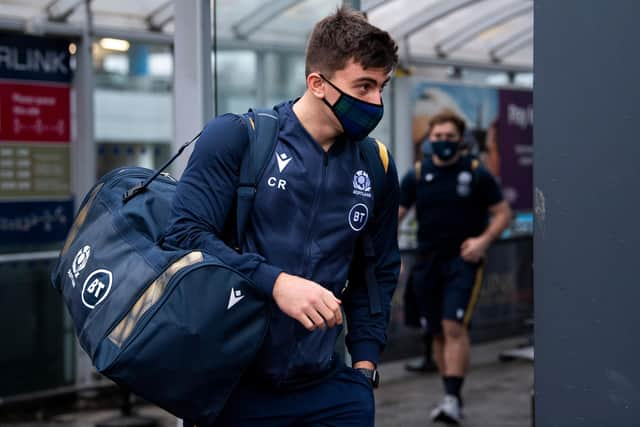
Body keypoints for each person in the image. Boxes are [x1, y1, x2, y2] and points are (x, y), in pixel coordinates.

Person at [163, 7, 400, 427]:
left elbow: (376, 270)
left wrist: (364, 367)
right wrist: (276, 283)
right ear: (317, 83)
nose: (376, 102)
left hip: (328, 389)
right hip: (231, 386)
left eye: (382, 87)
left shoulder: (375, 163)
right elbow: (183, 237)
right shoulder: (238, 137)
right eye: (363, 86)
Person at [398, 110, 512, 424]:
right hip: (426, 262)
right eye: (438, 137)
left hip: (463, 262)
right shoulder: (418, 174)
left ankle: (453, 398)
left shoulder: (476, 172)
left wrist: (482, 241)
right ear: (429, 140)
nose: (443, 142)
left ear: (460, 140)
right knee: (435, 331)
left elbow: (503, 213)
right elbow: (396, 213)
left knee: (453, 326)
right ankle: (448, 393)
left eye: (449, 137)